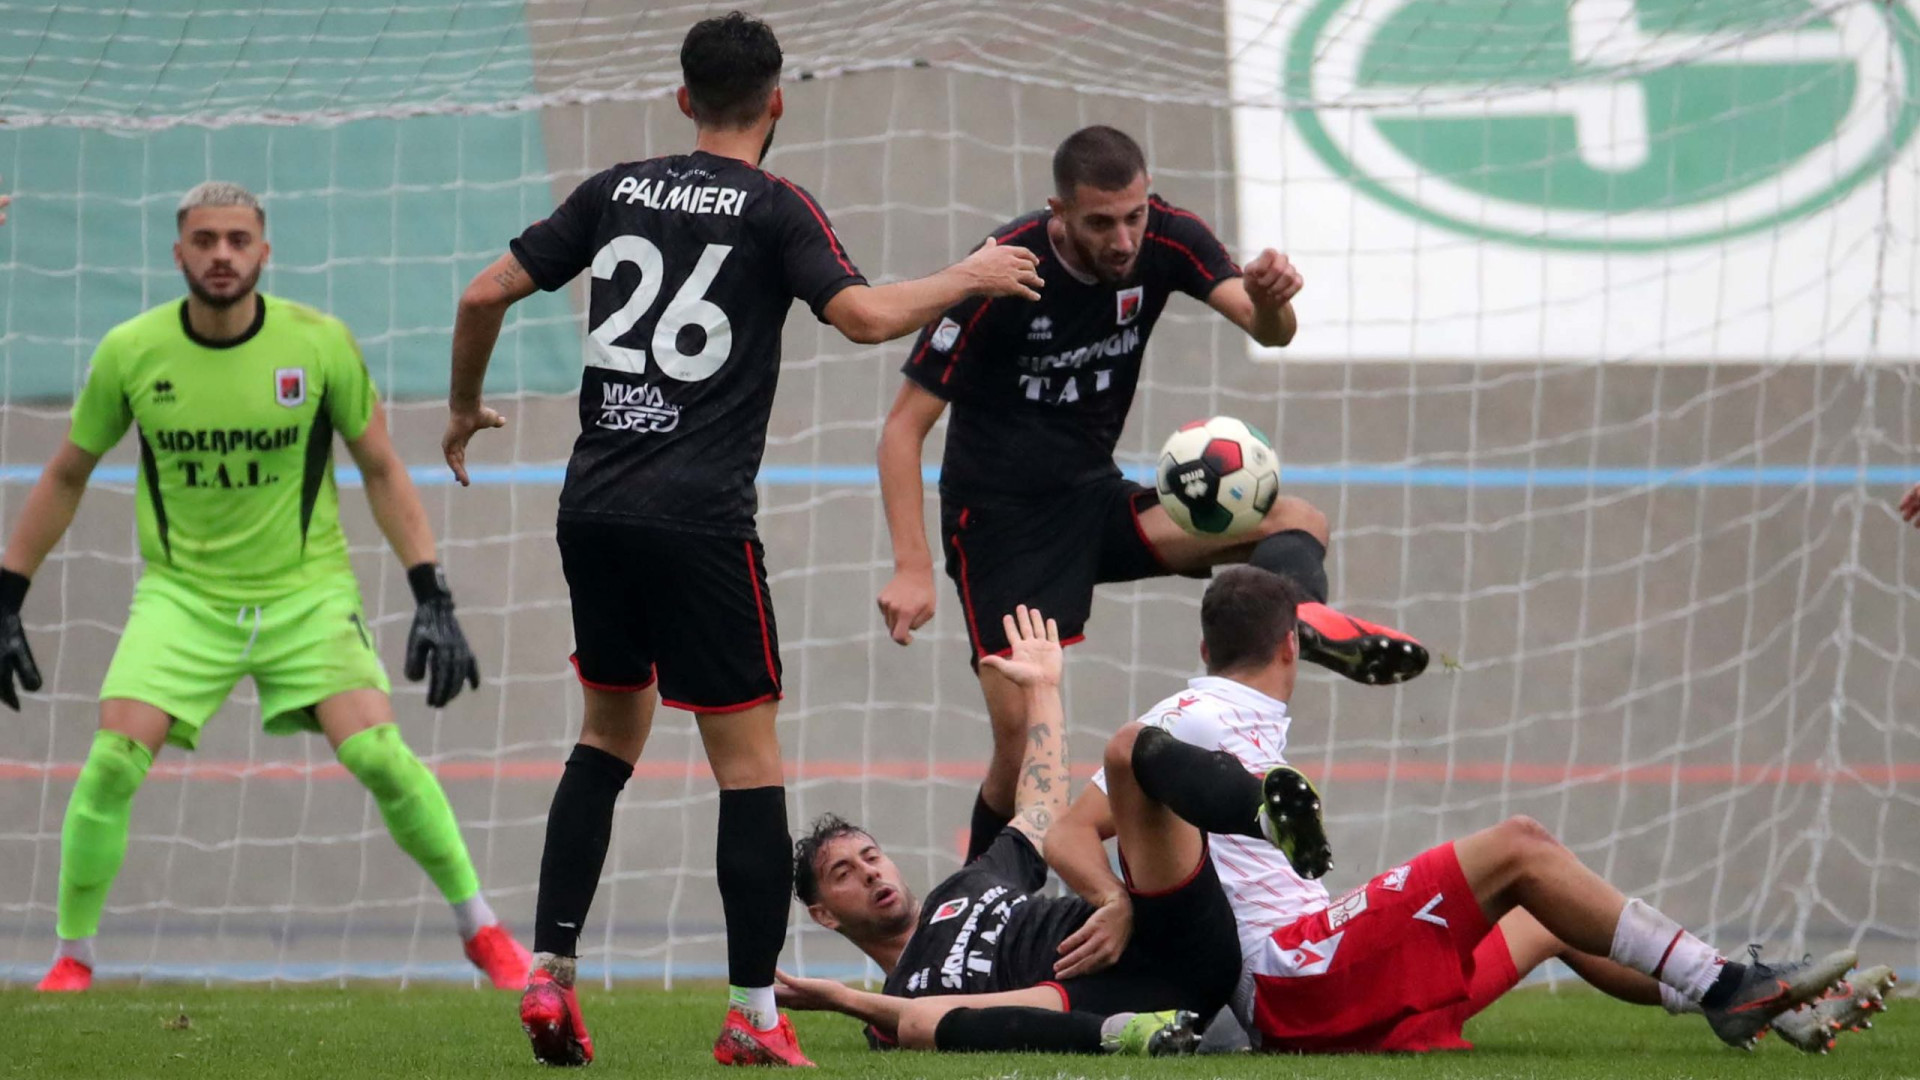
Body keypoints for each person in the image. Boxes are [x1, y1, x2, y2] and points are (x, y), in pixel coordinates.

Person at [437, 11, 1045, 1068]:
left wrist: (460, 407)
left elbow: (483, 290)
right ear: (776, 102)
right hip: (699, 520)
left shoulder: (615, 189)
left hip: (593, 509)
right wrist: (970, 276)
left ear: (682, 100)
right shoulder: (774, 207)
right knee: (750, 772)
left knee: (605, 740)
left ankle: (550, 973)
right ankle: (754, 1018)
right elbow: (858, 317)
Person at [0, 181, 524, 993]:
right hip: (182, 598)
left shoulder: (318, 345)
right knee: (109, 765)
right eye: (205, 240)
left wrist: (433, 593)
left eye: (237, 240)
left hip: (305, 594)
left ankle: (483, 931)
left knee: (382, 756)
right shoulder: (131, 352)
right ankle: (73, 959)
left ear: (263, 253)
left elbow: (382, 468)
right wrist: (7, 595)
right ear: (179, 252)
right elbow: (67, 473)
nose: (221, 254)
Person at [874, 123, 1427, 867]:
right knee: (1025, 745)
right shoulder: (1002, 272)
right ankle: (983, 904)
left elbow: (1272, 330)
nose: (1124, 237)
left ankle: (1300, 621)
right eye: (1101, 222)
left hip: (1095, 501)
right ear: (1058, 212)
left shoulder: (1168, 238)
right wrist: (912, 566)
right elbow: (902, 431)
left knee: (1296, 520)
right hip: (1001, 530)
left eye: (1132, 215)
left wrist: (1272, 301)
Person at [1044, 564, 1864, 1055]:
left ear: (1204, 648)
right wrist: (1119, 901)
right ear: (1294, 645)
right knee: (1520, 846)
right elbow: (1070, 830)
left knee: (1547, 916)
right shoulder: (1186, 717)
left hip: (1328, 980)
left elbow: (1072, 831)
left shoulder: (1211, 712)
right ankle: (1727, 984)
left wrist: (1114, 895)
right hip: (1291, 980)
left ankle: (1744, 1004)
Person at [777, 604, 1330, 1055]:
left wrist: (1042, 688)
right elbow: (905, 1024)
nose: (870, 871)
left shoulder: (962, 888)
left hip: (1171, 934)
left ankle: (1259, 811)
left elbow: (1043, 811)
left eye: (870, 855)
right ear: (824, 913)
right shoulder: (896, 1003)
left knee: (1129, 748)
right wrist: (842, 998)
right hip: (1106, 999)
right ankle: (1129, 1037)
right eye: (844, 873)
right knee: (919, 1025)